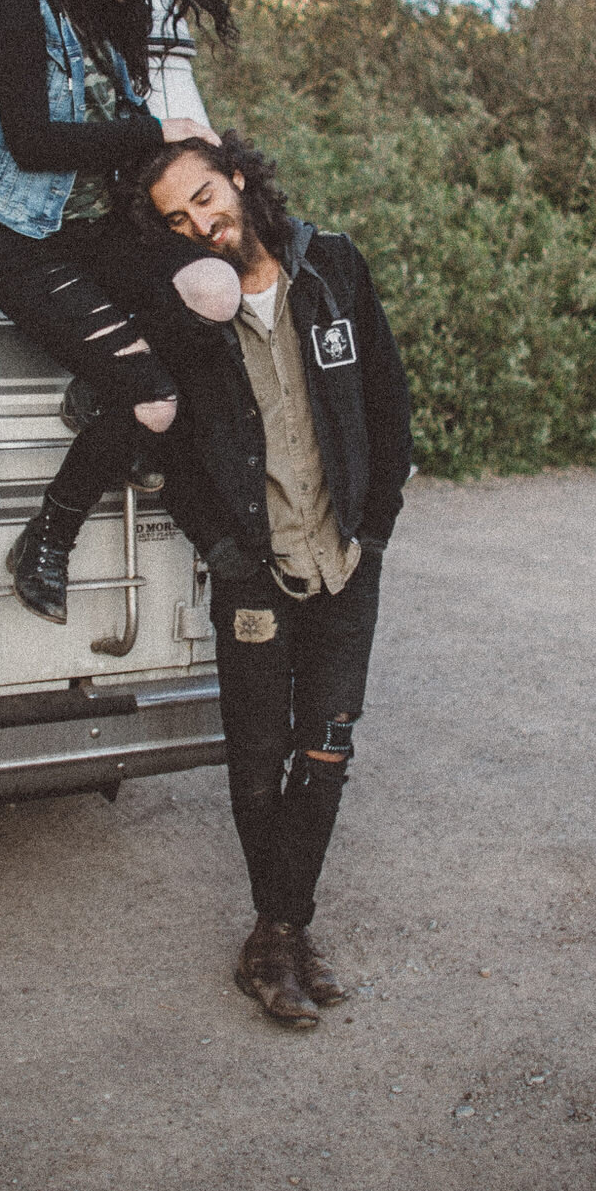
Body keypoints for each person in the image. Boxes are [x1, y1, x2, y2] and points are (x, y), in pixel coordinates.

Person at [125, 132, 414, 1029]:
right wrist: (223, 547)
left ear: (240, 179)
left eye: (206, 198)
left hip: (344, 565)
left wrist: (375, 525)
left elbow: (388, 400)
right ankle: (281, 936)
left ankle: (279, 933)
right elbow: (165, 448)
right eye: (177, 218)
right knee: (258, 764)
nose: (200, 224)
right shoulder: (184, 311)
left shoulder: (330, 268)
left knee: (325, 750)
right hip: (256, 572)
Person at [0, 0, 243, 623]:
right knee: (153, 404)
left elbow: (122, 142)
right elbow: (33, 142)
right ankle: (49, 536)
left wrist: (202, 160)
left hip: (97, 231)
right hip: (22, 241)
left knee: (221, 288)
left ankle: (103, 388)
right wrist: (156, 128)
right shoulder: (13, 1)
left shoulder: (110, 12)